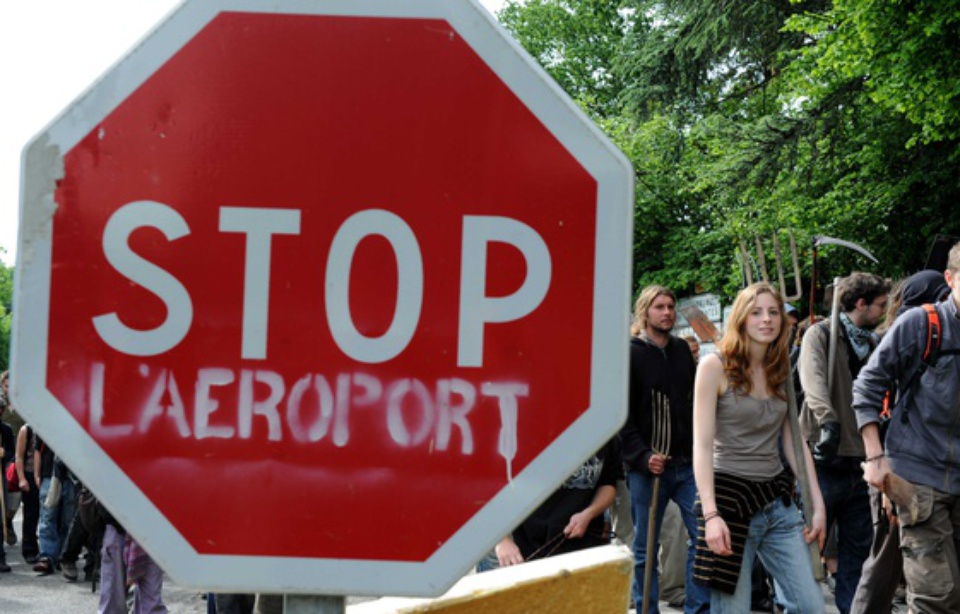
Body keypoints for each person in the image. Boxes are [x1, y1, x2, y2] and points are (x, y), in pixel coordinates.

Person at [692, 281, 826, 612]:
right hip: (730, 504)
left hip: (776, 504)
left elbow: (795, 443)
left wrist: (817, 505)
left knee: (811, 606)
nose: (766, 320)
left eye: (773, 312)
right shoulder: (714, 366)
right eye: (756, 313)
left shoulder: (779, 368)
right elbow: (702, 445)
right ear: (741, 318)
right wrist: (710, 515)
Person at [854, 243, 960, 613]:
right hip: (918, 477)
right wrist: (876, 458)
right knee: (936, 596)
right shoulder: (921, 324)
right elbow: (867, 386)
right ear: (949, 279)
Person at [798, 271, 890, 613]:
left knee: (857, 550)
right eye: (879, 305)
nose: (883, 312)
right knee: (808, 545)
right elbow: (813, 379)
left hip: (860, 460)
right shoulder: (819, 334)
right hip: (823, 457)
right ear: (861, 303)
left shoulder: (874, 343)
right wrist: (828, 421)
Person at [620, 285, 708, 613]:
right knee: (645, 548)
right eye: (660, 307)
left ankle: (698, 608)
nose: (667, 312)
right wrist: (642, 456)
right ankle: (647, 610)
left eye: (671, 306)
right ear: (646, 311)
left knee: (703, 535)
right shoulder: (630, 353)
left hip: (686, 465)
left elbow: (693, 405)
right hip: (647, 468)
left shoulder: (682, 352)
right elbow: (621, 417)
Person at [494, 439, 620, 565]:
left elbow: (608, 483)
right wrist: (501, 540)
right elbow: (490, 488)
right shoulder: (525, 430)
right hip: (530, 548)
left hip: (585, 544)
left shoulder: (602, 430)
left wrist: (589, 513)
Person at [15, 423, 40, 564]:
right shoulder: (27, 429)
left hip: (47, 474)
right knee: (31, 515)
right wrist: (22, 478)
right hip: (29, 475)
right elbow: (19, 456)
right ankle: (30, 550)